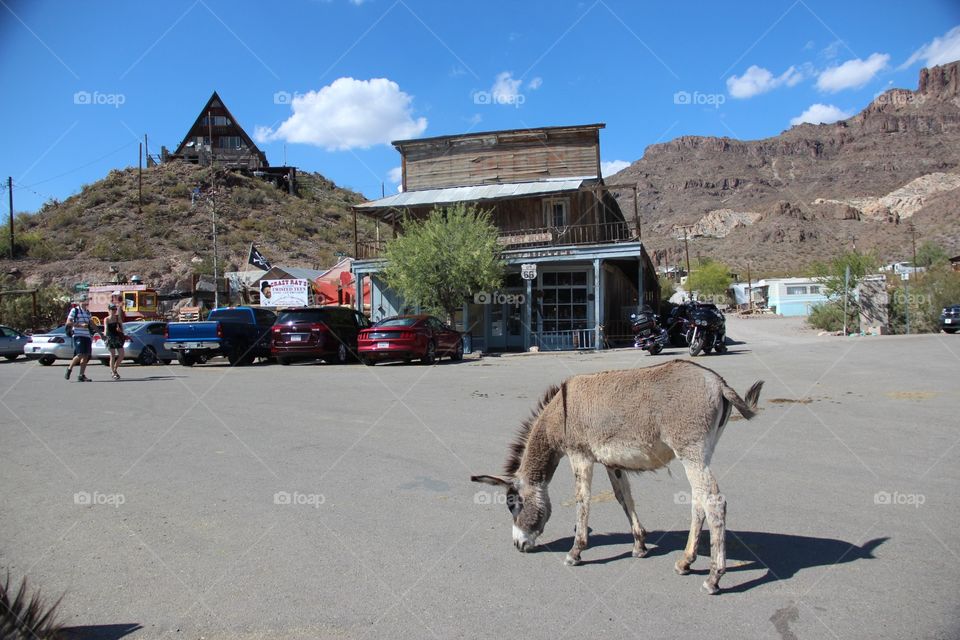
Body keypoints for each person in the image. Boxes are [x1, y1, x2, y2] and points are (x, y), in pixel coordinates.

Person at [65, 296, 93, 381]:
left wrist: (100, 334)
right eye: (86, 301)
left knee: (86, 355)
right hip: (78, 335)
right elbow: (68, 322)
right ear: (81, 301)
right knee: (80, 354)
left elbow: (91, 323)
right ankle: (69, 368)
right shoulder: (75, 310)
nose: (87, 303)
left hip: (87, 335)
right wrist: (80, 325)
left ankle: (81, 375)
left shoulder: (87, 312)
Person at [103, 301, 125, 380]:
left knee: (121, 354)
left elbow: (122, 327)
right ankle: (113, 372)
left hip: (117, 337)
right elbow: (105, 329)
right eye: (112, 309)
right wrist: (104, 337)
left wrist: (120, 330)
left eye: (115, 309)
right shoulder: (106, 319)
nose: (114, 311)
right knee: (112, 355)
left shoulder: (117, 317)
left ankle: (115, 368)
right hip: (110, 337)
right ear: (109, 310)